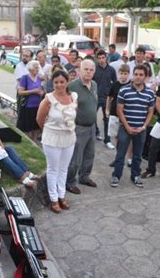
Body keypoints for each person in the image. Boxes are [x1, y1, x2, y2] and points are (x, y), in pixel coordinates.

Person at [37, 70, 78, 213]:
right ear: (52, 83)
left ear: (67, 82)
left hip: (69, 138)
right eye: (56, 82)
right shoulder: (48, 99)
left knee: (63, 168)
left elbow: (72, 115)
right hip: (52, 138)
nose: (59, 85)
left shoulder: (73, 96)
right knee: (53, 169)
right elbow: (39, 119)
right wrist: (49, 129)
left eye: (62, 82)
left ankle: (62, 195)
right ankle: (53, 199)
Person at [110, 64, 155, 188]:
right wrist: (127, 126)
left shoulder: (150, 93)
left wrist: (144, 126)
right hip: (125, 128)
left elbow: (150, 111)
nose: (138, 77)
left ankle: (135, 175)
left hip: (141, 129)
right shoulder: (124, 90)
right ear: (132, 75)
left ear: (145, 77)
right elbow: (120, 110)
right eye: (136, 74)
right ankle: (116, 175)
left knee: (137, 155)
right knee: (120, 154)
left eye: (141, 75)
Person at [66, 59, 98, 194]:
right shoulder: (73, 86)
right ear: (79, 70)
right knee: (75, 159)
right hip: (79, 128)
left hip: (92, 127)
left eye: (91, 70)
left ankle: (84, 177)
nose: (89, 72)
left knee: (90, 155)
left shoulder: (94, 84)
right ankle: (70, 182)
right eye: (86, 69)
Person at [106, 64, 131, 161]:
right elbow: (109, 97)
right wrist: (107, 109)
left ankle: (129, 158)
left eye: (125, 73)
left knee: (127, 138)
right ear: (118, 73)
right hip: (114, 113)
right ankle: (118, 157)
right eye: (121, 73)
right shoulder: (115, 85)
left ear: (128, 74)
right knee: (115, 136)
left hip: (126, 115)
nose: (123, 76)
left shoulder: (131, 85)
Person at [93, 49, 117, 148]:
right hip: (95, 97)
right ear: (97, 59)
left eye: (103, 58)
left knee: (107, 119)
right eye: (99, 58)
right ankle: (96, 132)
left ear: (106, 57)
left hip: (107, 98)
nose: (101, 60)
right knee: (91, 117)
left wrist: (112, 97)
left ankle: (107, 140)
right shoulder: (94, 69)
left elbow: (115, 83)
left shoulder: (111, 70)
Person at [17, 60, 44, 143]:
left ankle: (34, 140)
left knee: (36, 125)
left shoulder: (39, 78)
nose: (38, 69)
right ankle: (27, 141)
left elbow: (41, 89)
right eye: (36, 67)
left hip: (38, 105)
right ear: (31, 69)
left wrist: (41, 93)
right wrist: (33, 91)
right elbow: (20, 92)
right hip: (28, 106)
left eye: (38, 67)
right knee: (27, 126)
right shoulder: (25, 78)